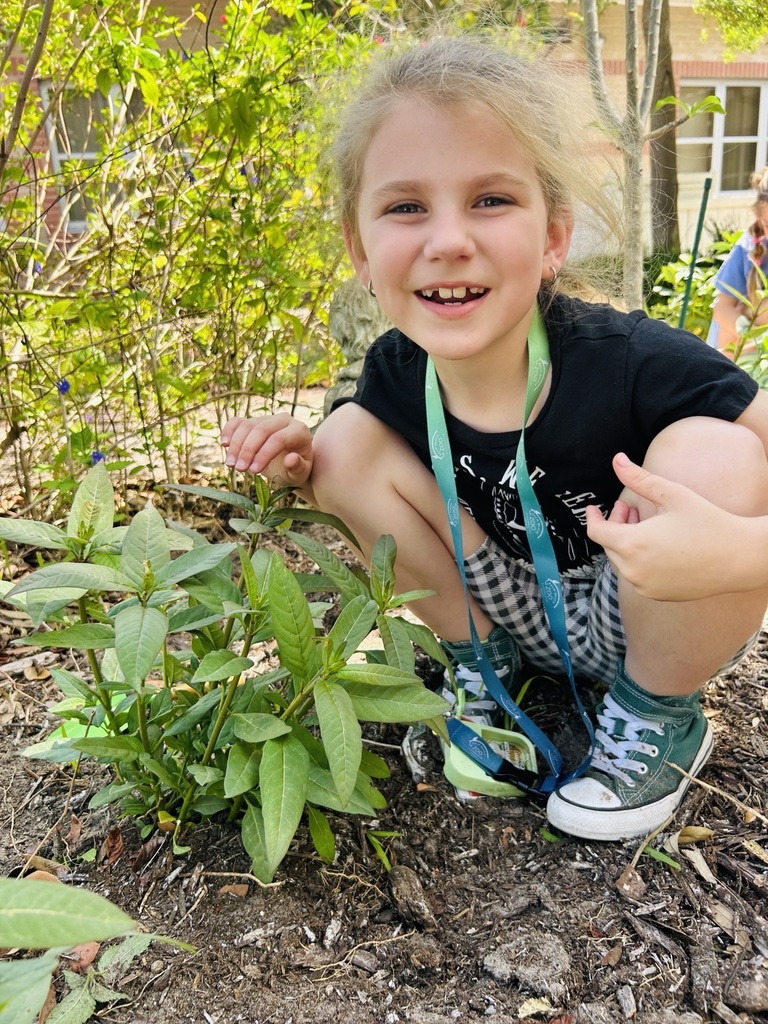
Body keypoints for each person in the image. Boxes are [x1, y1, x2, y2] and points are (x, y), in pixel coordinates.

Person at [221, 37, 768, 842]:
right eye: (406, 207)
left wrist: (739, 555)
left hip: (652, 597)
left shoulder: (639, 361)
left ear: (554, 236)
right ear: (359, 246)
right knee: (341, 441)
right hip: (506, 606)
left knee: (720, 451)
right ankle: (485, 672)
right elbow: (359, 475)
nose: (447, 240)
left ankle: (657, 715)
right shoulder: (393, 373)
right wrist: (301, 461)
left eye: (490, 201)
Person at [707, 166, 768, 356]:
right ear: (759, 218)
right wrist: (754, 338)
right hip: (740, 354)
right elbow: (722, 309)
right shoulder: (749, 246)